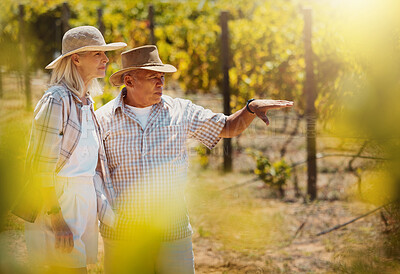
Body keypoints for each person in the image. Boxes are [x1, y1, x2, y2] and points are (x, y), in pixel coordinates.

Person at [95, 45, 293, 273]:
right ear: (129, 81)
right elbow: (95, 175)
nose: (161, 83)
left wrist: (250, 109)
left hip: (172, 232)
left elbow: (227, 126)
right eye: (153, 77)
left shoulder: (180, 111)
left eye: (162, 77)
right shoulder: (103, 120)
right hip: (123, 236)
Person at [12, 26, 126, 273]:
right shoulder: (57, 99)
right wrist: (57, 218)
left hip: (82, 201)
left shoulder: (86, 102)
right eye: (97, 54)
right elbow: (40, 168)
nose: (106, 59)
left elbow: (89, 167)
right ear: (76, 59)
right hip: (60, 201)